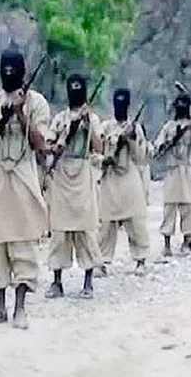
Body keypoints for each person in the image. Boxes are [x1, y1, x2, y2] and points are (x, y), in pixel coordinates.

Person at [0, 44, 49, 330]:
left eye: (13, 69)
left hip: (22, 176)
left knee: (22, 242)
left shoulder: (37, 103)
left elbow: (40, 144)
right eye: (4, 68)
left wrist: (20, 114)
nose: (8, 73)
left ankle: (20, 308)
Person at [42, 74, 103, 299]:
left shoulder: (93, 118)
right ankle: (56, 281)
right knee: (59, 231)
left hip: (83, 173)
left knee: (85, 229)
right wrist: (57, 145)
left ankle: (88, 282)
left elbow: (99, 147)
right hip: (62, 173)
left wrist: (87, 125)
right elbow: (48, 145)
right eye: (72, 87)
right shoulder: (60, 118)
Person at [97, 89, 150, 277]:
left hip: (129, 178)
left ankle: (141, 259)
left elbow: (140, 157)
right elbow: (96, 151)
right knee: (105, 224)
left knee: (136, 221)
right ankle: (101, 262)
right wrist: (105, 158)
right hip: (110, 178)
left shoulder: (135, 128)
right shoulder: (105, 127)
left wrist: (131, 139)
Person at [153, 93, 191, 257]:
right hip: (171, 170)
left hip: (187, 170)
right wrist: (169, 141)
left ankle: (187, 241)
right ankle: (167, 243)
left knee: (187, 207)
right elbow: (158, 146)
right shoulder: (168, 126)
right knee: (169, 208)